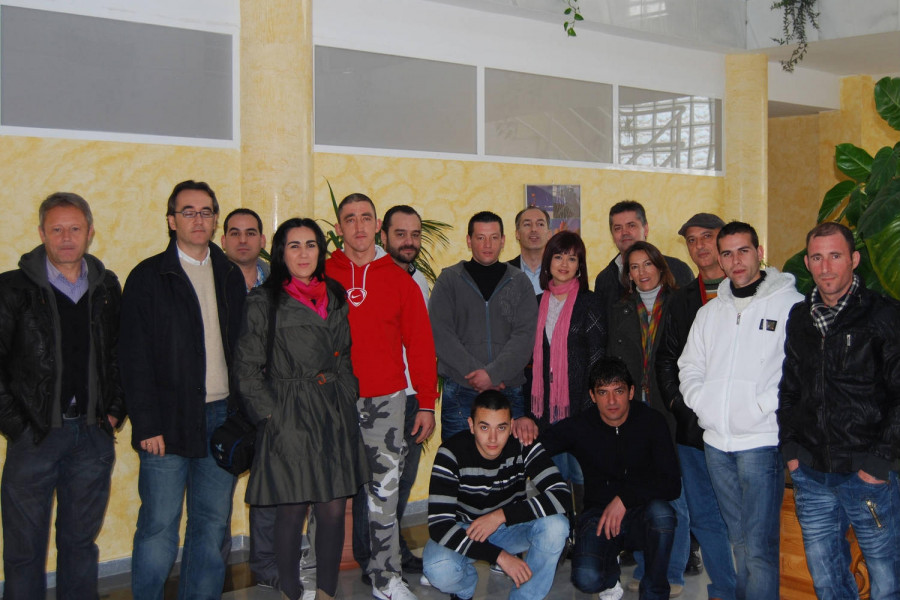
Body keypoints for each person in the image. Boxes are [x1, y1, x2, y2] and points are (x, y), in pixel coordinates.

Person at [120, 180, 247, 600]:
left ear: (215, 219)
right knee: (158, 525)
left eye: (207, 211)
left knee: (211, 526)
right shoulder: (148, 276)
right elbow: (133, 359)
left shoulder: (229, 274)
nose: (199, 219)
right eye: (188, 211)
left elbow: (243, 351)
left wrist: (243, 416)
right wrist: (146, 424)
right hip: (166, 424)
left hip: (221, 419)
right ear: (171, 220)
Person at [235, 218, 370, 600]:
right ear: (281, 253)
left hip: (333, 410)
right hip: (288, 410)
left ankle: (326, 592)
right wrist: (271, 414)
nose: (304, 253)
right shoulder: (265, 301)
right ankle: (290, 591)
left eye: (311, 245)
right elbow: (246, 367)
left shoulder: (335, 293)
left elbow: (344, 353)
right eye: (294, 245)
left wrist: (347, 391)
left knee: (331, 508)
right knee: (291, 508)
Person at [0, 192, 124, 600]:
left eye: (75, 228)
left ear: (90, 232)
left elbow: (122, 356)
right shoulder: (12, 288)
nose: (66, 237)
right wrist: (17, 426)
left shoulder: (107, 286)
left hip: (91, 435)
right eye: (57, 229)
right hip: (35, 437)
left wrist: (112, 414)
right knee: (23, 552)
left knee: (79, 546)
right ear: (41, 233)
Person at [678, 221, 802, 600]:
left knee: (760, 548)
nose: (735, 261)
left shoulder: (789, 305)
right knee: (739, 541)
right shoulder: (711, 312)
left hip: (761, 442)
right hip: (717, 443)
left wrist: (759, 408)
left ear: (759, 251)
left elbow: (795, 372)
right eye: (727, 253)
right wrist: (705, 405)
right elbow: (689, 366)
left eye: (743, 251)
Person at [778, 222, 900, 600]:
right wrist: (792, 453)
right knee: (826, 578)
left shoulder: (884, 315)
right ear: (808, 262)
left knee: (886, 579)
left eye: (835, 256)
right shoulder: (801, 317)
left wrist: (878, 465)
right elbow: (790, 387)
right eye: (817, 257)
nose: (826, 267)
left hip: (867, 476)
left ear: (854, 260)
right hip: (812, 476)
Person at [325, 193, 437, 600]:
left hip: (386, 404)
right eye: (349, 218)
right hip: (331, 403)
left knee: (384, 495)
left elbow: (421, 346)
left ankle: (387, 578)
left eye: (366, 218)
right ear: (338, 228)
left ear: (377, 226)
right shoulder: (320, 275)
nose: (358, 226)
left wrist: (426, 401)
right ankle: (316, 580)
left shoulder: (399, 280)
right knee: (324, 492)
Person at [541, 357, 680, 600]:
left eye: (619, 391)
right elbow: (540, 445)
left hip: (641, 513)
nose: (612, 401)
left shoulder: (652, 422)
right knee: (586, 578)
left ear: (631, 392)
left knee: (663, 515)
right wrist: (523, 424)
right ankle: (610, 571)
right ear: (593, 396)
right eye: (603, 393)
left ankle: (655, 592)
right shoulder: (582, 425)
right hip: (598, 514)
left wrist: (624, 499)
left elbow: (672, 483)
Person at [656, 213, 736, 600]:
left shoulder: (748, 290)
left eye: (708, 236)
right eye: (691, 240)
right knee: (704, 518)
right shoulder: (683, 298)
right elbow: (666, 359)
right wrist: (680, 405)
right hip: (692, 428)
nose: (700, 246)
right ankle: (723, 588)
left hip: (743, 431)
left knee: (742, 517)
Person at [423, 390, 570, 600]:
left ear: (511, 425)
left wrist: (499, 516)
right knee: (438, 567)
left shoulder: (523, 444)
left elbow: (561, 494)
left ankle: (525, 597)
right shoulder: (451, 453)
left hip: (511, 527)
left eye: (501, 428)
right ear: (471, 425)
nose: (493, 438)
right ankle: (464, 591)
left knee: (557, 526)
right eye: (484, 427)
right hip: (468, 529)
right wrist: (499, 557)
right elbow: (439, 526)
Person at [353, 205, 432, 584]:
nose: (409, 242)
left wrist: (427, 402)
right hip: (379, 399)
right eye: (400, 234)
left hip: (413, 399)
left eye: (415, 235)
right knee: (371, 483)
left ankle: (392, 552)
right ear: (383, 235)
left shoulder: (420, 282)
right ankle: (372, 561)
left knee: (398, 482)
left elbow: (422, 345)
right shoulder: (364, 278)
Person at [605, 241, 689, 596]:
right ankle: (644, 564)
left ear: (659, 265)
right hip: (633, 412)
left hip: (669, 409)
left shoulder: (680, 303)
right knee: (637, 489)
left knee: (674, 495)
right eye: (634, 267)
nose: (641, 272)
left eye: (647, 264)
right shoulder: (621, 308)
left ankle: (672, 573)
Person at [429, 211, 539, 444]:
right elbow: (441, 334)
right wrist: (478, 375)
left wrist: (492, 375)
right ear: (469, 241)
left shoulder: (520, 282)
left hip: (508, 390)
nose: (487, 245)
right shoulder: (449, 280)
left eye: (493, 237)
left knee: (510, 467)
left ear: (503, 240)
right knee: (457, 462)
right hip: (460, 391)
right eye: (480, 238)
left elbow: (525, 336)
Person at [525, 231, 605, 529]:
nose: (564, 263)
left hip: (581, 409)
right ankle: (561, 538)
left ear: (580, 265)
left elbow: (597, 358)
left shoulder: (590, 302)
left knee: (583, 474)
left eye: (572, 258)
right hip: (544, 410)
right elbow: (528, 361)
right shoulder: (534, 303)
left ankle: (587, 537)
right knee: (553, 476)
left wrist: (587, 412)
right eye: (558, 256)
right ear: (548, 262)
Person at [593, 200, 693, 315]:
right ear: (612, 235)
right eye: (618, 228)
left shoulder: (678, 269)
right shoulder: (604, 280)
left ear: (645, 229)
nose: (624, 232)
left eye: (631, 225)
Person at [221, 207, 269, 291]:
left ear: (262, 241)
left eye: (250, 233)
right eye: (235, 234)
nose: (242, 240)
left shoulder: (280, 284)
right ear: (223, 241)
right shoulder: (210, 282)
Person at [508, 206, 552, 294]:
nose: (534, 229)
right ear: (517, 234)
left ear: (549, 234)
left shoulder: (561, 272)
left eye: (540, 224)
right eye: (527, 224)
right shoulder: (503, 272)